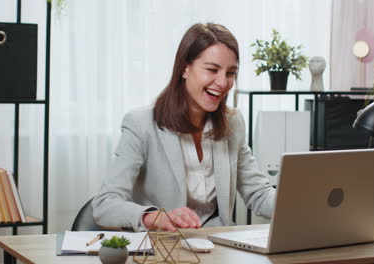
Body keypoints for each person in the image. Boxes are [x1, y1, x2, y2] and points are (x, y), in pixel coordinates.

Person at [92, 22, 275, 232]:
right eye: (212, 70)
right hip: (162, 249)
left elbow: (259, 194)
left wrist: (305, 202)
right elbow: (105, 204)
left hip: (216, 248)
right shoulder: (141, 124)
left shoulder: (233, 122)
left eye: (231, 73)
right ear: (184, 68)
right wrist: (154, 217)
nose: (223, 82)